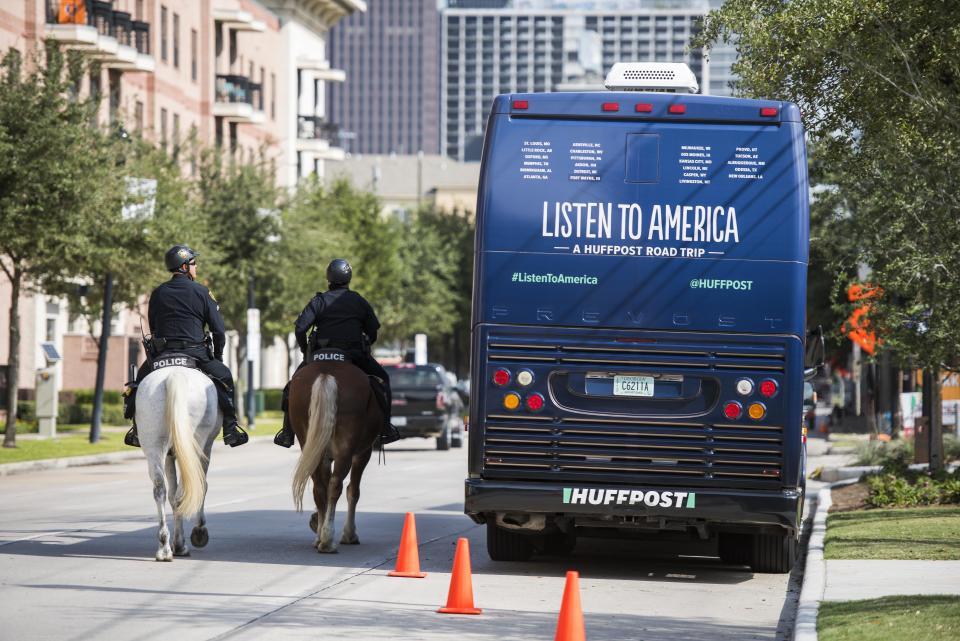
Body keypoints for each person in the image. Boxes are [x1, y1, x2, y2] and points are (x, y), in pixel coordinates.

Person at [123, 244, 248, 448]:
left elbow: (153, 326)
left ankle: (136, 430)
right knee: (225, 377)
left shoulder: (157, 293)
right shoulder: (202, 292)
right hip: (196, 352)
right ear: (183, 266)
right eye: (193, 263)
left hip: (163, 353)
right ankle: (231, 428)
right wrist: (217, 357)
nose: (196, 266)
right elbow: (218, 330)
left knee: (138, 384)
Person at [274, 258, 401, 448]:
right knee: (383, 381)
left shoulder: (319, 301)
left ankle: (287, 433)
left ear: (328, 279)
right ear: (349, 278)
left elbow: (300, 329)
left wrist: (305, 351)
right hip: (354, 356)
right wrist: (366, 345)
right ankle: (385, 429)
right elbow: (373, 330)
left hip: (319, 355)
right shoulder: (359, 301)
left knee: (292, 387)